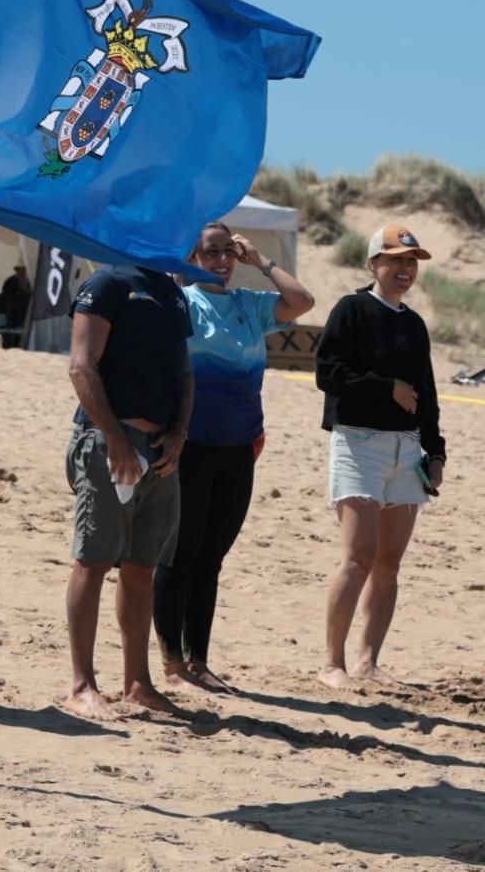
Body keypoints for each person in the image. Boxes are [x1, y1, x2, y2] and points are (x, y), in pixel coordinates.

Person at [154, 224, 314, 693]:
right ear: (194, 256)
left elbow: (302, 301)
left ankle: (199, 661)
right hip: (189, 446)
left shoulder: (249, 304)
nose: (221, 259)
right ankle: (171, 663)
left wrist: (261, 260)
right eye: (212, 252)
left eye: (228, 251)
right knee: (179, 556)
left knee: (212, 559)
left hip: (239, 447)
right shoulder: (180, 302)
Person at [316, 225, 446, 691]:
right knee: (358, 557)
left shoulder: (413, 323)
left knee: (389, 561)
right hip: (358, 444)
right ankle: (332, 663)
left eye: (412, 261)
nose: (405, 269)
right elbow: (327, 372)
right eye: (396, 260)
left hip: (406, 448)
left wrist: (436, 451)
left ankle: (369, 661)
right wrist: (384, 386)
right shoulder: (351, 309)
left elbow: (427, 392)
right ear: (373, 264)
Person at [63, 263, 193, 720]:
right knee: (94, 560)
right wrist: (114, 438)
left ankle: (138, 684)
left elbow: (184, 371)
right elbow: (81, 366)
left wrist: (180, 432)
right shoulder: (108, 282)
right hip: (109, 442)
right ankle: (82, 685)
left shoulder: (171, 291)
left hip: (162, 449)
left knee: (142, 567)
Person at [0, 264, 33, 348]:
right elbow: (7, 295)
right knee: (10, 329)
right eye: (22, 270)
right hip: (11, 310)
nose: (24, 272)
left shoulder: (26, 281)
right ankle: (9, 344)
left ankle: (18, 344)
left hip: (22, 311)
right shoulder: (11, 281)